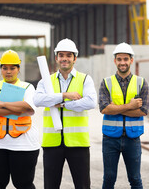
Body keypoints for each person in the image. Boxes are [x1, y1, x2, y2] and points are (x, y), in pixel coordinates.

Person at [34, 38, 97, 189]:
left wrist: (61, 104)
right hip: (52, 143)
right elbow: (37, 100)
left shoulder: (85, 80)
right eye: (61, 55)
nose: (64, 58)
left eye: (69, 55)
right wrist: (65, 95)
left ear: (75, 58)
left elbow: (90, 102)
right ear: (56, 58)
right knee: (51, 186)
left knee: (82, 186)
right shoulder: (46, 81)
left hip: (78, 143)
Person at [0, 50, 40, 189]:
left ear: (18, 69)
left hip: (23, 145)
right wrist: (17, 108)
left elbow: (29, 108)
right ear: (0, 69)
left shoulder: (27, 87)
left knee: (24, 184)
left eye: (12, 68)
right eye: (5, 68)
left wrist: (3, 104)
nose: (8, 71)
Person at [98, 42, 149, 189]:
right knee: (109, 178)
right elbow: (103, 108)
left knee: (135, 179)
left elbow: (143, 110)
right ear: (115, 61)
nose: (122, 62)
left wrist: (115, 107)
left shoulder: (141, 83)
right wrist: (130, 106)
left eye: (125, 59)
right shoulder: (106, 83)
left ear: (131, 60)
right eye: (119, 59)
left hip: (133, 138)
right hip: (110, 138)